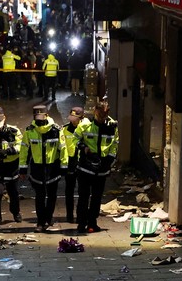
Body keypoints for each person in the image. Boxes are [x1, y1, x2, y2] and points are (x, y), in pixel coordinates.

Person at [19, 105, 68, 232]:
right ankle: (40, 222)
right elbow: (24, 150)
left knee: (52, 195)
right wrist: (23, 168)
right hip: (37, 168)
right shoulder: (30, 131)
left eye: (41, 116)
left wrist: (64, 166)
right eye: (37, 116)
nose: (39, 118)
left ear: (47, 115)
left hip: (53, 167)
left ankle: (48, 217)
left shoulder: (56, 130)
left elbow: (63, 148)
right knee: (40, 196)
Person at [73, 98, 118, 234]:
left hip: (102, 168)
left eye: (104, 116)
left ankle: (92, 222)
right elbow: (75, 139)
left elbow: (115, 143)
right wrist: (84, 148)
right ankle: (81, 223)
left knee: (96, 197)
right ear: (95, 112)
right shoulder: (85, 125)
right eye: (99, 115)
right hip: (86, 167)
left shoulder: (112, 126)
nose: (101, 118)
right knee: (83, 196)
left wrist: (109, 159)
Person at [62, 106, 89, 223]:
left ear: (81, 118)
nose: (72, 120)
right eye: (71, 118)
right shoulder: (65, 129)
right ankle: (69, 215)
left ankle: (80, 215)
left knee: (83, 191)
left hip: (83, 163)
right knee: (69, 191)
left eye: (75, 118)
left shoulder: (87, 128)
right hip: (70, 162)